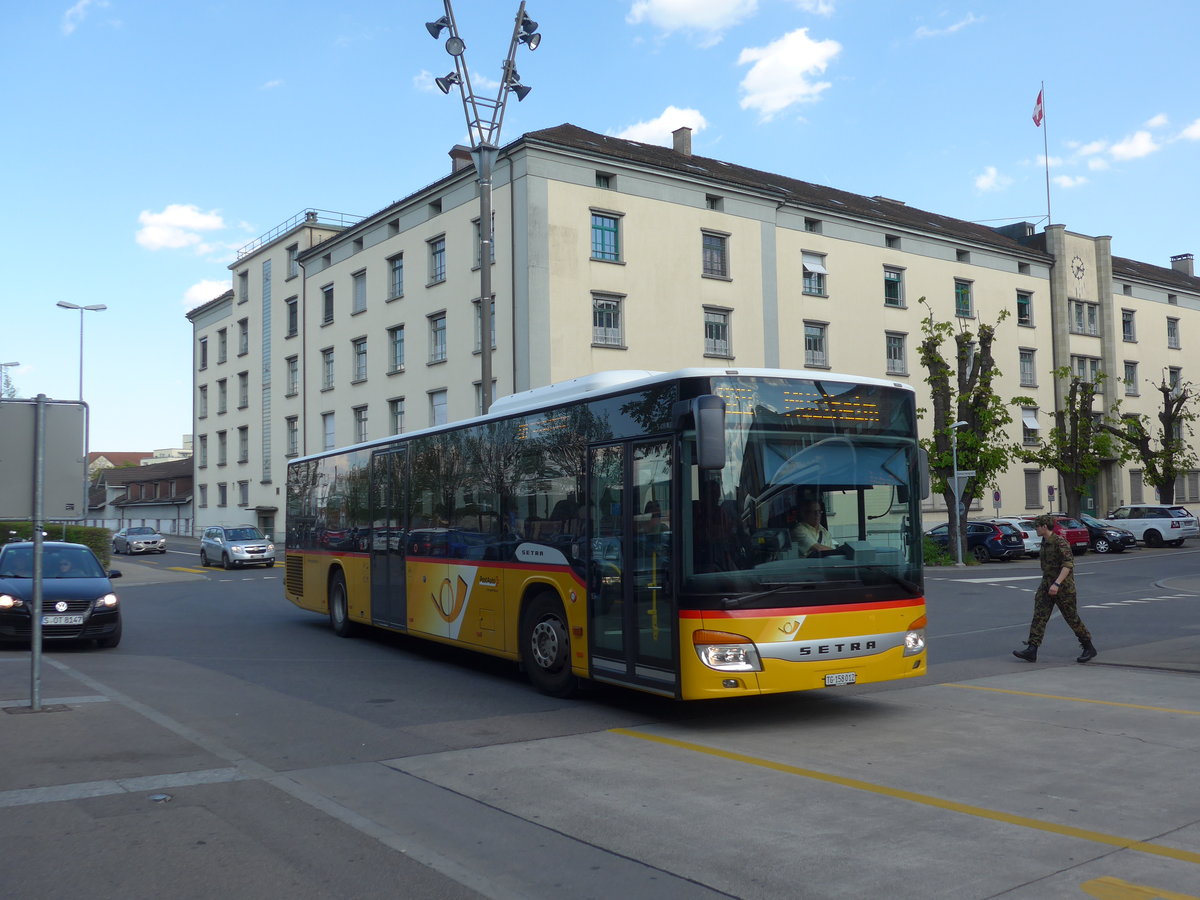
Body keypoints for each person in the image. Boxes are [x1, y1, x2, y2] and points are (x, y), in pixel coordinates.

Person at [1013, 514, 1097, 663]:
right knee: (1039, 615)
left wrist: (1057, 584)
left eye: (1037, 526)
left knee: (1072, 618)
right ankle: (1032, 649)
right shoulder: (1044, 542)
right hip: (1046, 585)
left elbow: (1068, 565)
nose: (1036, 529)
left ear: (1044, 526)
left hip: (1063, 588)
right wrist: (1049, 584)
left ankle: (1088, 646)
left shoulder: (1060, 542)